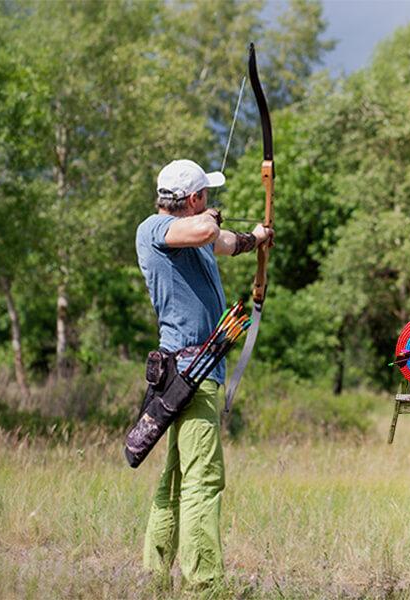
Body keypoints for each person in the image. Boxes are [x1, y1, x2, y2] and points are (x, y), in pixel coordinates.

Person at [135, 158, 272, 588]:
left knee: (177, 476)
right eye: (205, 197)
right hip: (189, 373)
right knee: (203, 479)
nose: (210, 202)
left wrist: (258, 238)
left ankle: (156, 577)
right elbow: (207, 231)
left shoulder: (192, 236)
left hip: (189, 372)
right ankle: (204, 583)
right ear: (194, 199)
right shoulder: (155, 230)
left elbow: (224, 241)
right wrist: (208, 220)